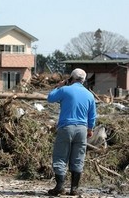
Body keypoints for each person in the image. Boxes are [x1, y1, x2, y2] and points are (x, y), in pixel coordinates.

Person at [47, 68, 97, 196]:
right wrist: (90, 129)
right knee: (78, 158)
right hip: (82, 129)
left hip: (66, 127)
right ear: (83, 80)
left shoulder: (65, 90)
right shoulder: (89, 95)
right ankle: (74, 188)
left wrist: (59, 86)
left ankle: (59, 186)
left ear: (71, 78)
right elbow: (92, 115)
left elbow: (50, 98)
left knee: (60, 156)